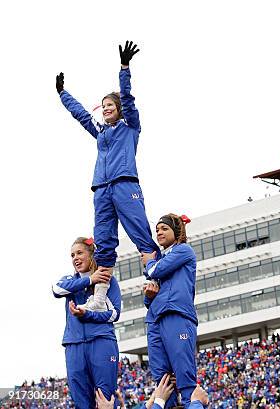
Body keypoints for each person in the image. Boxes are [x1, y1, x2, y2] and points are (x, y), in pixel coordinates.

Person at [55, 40, 159, 311]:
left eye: (110, 104)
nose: (106, 108)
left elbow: (127, 98)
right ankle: (100, 298)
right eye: (103, 106)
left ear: (119, 108)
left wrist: (124, 69)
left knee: (140, 233)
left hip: (125, 184)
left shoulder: (130, 126)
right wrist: (63, 94)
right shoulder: (101, 132)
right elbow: (80, 115)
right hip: (101, 189)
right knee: (103, 243)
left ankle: (156, 278)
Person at [52, 237, 121, 408]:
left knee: (105, 398)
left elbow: (114, 314)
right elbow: (56, 289)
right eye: (72, 255)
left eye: (80, 253)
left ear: (91, 254)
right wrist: (90, 280)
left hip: (101, 341)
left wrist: (87, 314)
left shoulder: (108, 280)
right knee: (81, 401)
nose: (75, 258)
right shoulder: (69, 280)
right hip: (73, 345)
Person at [142, 213, 199, 407]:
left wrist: (149, 261)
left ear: (177, 231)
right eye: (157, 230)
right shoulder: (162, 259)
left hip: (177, 315)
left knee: (184, 376)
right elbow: (150, 300)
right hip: (155, 320)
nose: (159, 232)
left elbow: (152, 271)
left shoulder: (184, 250)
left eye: (164, 228)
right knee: (162, 380)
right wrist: (148, 296)